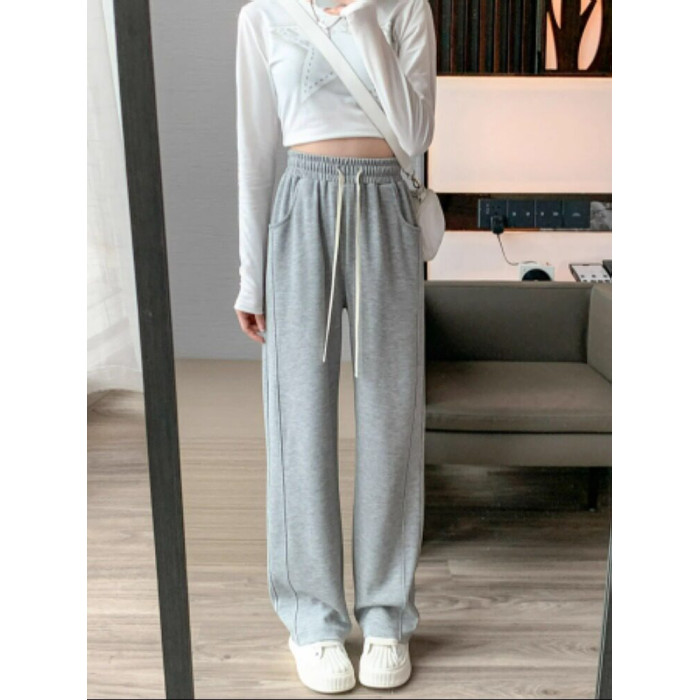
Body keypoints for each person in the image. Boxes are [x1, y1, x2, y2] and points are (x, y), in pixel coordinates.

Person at [233, 0, 437, 692]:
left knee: (392, 420)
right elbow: (256, 150)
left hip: (386, 207)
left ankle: (386, 616)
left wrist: (364, 23)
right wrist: (250, 275)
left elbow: (415, 132)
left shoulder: (405, 9)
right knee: (298, 423)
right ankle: (313, 621)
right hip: (301, 209)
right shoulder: (264, 16)